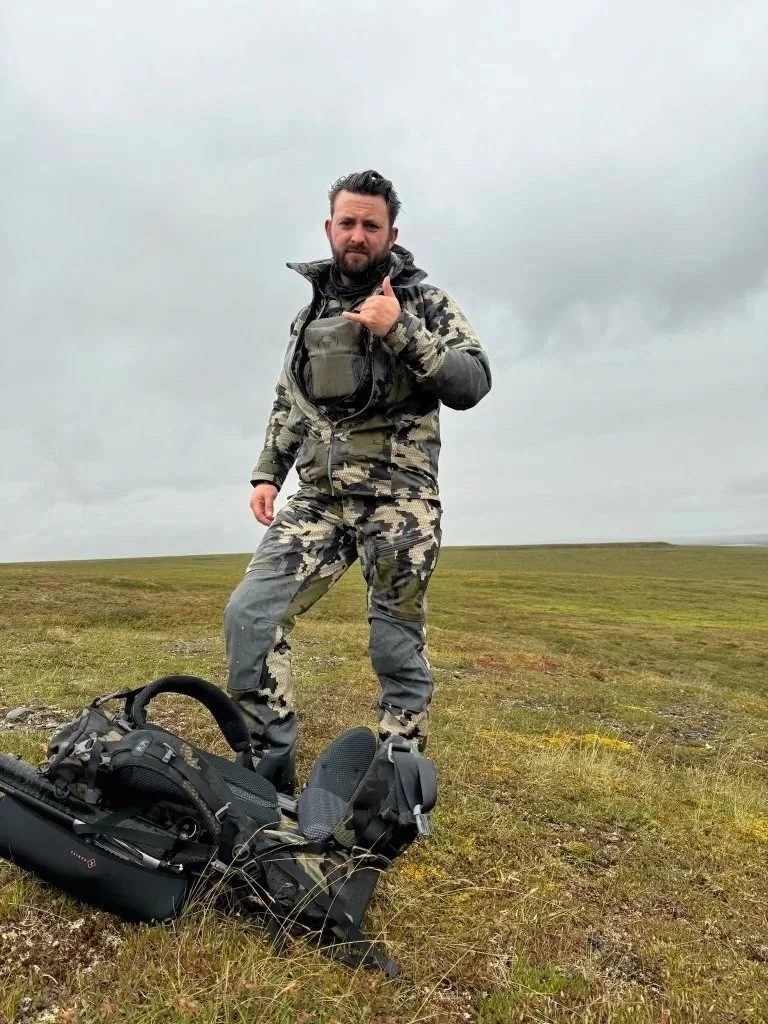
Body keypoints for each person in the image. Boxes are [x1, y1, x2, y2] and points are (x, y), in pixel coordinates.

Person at [224, 169, 491, 794]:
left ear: (391, 233)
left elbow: (472, 383)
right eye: (348, 222)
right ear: (329, 227)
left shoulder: (424, 304)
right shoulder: (309, 313)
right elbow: (290, 400)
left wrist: (397, 329)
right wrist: (269, 473)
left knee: (396, 647)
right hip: (317, 498)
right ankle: (268, 778)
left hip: (399, 502)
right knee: (249, 618)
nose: (357, 234)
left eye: (371, 225)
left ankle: (395, 787)